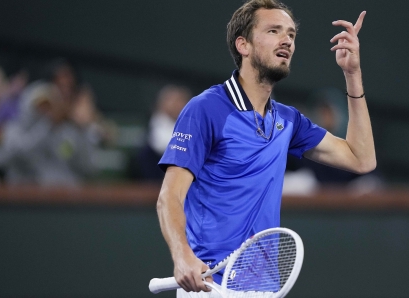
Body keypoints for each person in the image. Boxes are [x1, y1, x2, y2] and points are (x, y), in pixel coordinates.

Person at [156, 0, 375, 296]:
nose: (286, 40)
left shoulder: (288, 120)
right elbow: (169, 196)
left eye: (291, 35)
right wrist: (182, 256)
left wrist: (353, 74)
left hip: (263, 289)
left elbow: (361, 159)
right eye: (273, 31)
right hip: (209, 287)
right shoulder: (205, 109)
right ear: (243, 45)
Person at [137, 84, 191, 181]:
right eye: (174, 100)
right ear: (162, 103)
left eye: (181, 100)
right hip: (157, 180)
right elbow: (162, 145)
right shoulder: (156, 122)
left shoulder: (190, 123)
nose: (178, 105)